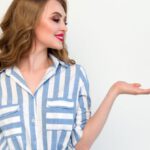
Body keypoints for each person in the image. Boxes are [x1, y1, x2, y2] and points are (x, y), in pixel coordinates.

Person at [0, 0, 150, 150]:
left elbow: (81, 145)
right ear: (30, 20)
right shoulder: (2, 81)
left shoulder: (74, 76)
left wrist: (114, 91)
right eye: (56, 19)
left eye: (65, 22)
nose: (64, 28)